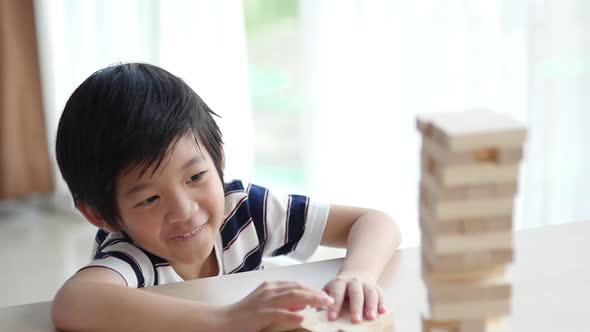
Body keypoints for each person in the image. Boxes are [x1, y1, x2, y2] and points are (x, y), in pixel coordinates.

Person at [51, 63, 401, 332]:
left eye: (196, 177)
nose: (185, 211)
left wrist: (358, 275)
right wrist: (227, 319)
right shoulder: (133, 255)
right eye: (149, 200)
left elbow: (374, 222)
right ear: (101, 216)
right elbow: (73, 302)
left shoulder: (245, 210)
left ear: (218, 157)